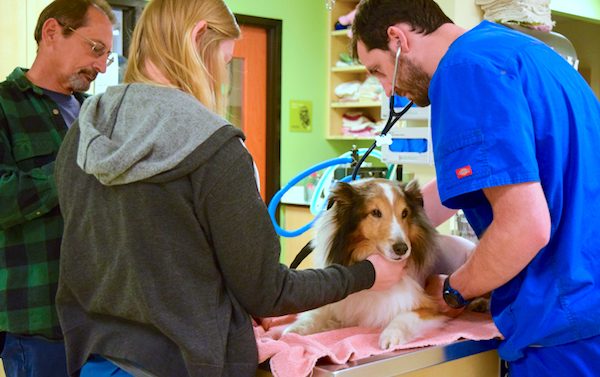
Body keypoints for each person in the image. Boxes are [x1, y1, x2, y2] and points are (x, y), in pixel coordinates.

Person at [52, 0, 410, 376]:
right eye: (224, 61)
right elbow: (268, 291)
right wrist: (367, 274)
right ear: (197, 38)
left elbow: (146, 261)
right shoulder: (214, 147)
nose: (222, 77)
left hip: (95, 360)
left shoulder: (84, 132)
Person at [351, 0, 600, 376]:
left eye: (379, 71)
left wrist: (454, 290)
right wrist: (389, 219)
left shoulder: (463, 72)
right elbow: (491, 177)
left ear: (397, 39)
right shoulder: (522, 52)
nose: (388, 90)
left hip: (565, 323)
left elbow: (525, 227)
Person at [0, 1, 115, 376]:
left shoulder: (97, 115)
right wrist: (75, 169)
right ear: (52, 32)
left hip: (104, 317)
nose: (100, 66)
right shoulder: (4, 106)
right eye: (95, 49)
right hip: (39, 322)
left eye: (107, 57)